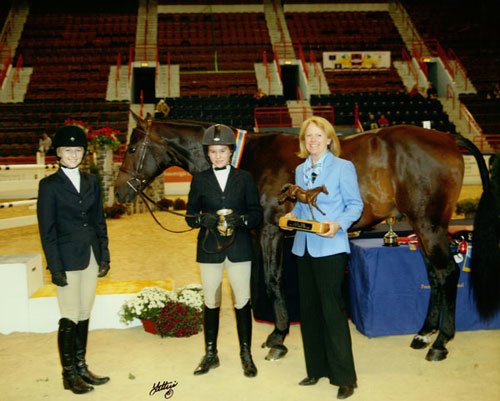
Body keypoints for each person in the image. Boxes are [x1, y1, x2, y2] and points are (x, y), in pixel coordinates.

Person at [284, 116, 363, 399]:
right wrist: (293, 214)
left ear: (329, 139)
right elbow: (303, 207)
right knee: (309, 309)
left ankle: (344, 377)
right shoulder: (299, 169)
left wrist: (339, 224)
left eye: (319, 136)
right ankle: (316, 368)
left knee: (332, 309)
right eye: (309, 137)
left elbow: (355, 205)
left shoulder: (343, 167)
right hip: (304, 246)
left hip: (331, 247)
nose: (313, 141)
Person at [37, 125, 111, 394]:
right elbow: (47, 231)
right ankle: (68, 374)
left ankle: (81, 366)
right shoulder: (49, 186)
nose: (73, 154)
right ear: (58, 153)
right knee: (69, 315)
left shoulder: (91, 181)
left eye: (77, 150)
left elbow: (98, 222)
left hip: (90, 256)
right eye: (68, 150)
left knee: (84, 312)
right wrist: (55, 267)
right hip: (66, 260)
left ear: (84, 153)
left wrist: (104, 255)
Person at [185, 124, 263, 378]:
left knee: (242, 300)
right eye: (213, 151)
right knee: (211, 301)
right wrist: (202, 219)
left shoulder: (245, 178)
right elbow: (189, 215)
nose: (218, 156)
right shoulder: (199, 179)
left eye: (223, 151)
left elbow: (256, 213)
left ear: (231, 151)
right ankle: (210, 353)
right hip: (209, 247)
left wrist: (241, 220)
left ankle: (245, 353)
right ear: (208, 153)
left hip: (239, 247)